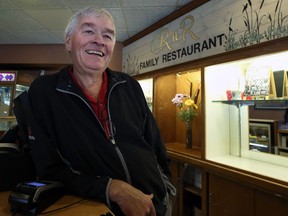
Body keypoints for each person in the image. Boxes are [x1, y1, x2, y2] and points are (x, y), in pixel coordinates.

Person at [25, 7, 175, 216]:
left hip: (157, 206)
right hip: (98, 210)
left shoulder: (129, 85)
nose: (99, 40)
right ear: (68, 41)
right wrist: (110, 188)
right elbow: (47, 168)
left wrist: (165, 189)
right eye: (88, 31)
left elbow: (155, 146)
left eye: (108, 35)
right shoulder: (45, 91)